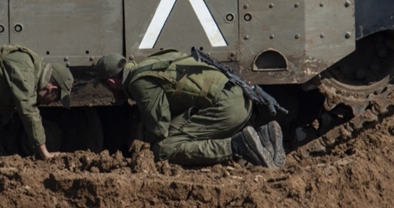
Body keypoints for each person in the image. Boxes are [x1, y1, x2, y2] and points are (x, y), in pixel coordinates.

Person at [93, 49, 285, 168]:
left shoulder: (139, 82)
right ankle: (265, 136)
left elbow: (159, 128)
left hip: (227, 108)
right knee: (175, 137)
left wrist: (145, 150)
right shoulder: (153, 61)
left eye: (107, 87)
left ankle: (237, 146)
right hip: (240, 98)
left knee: (163, 149)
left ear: (111, 82)